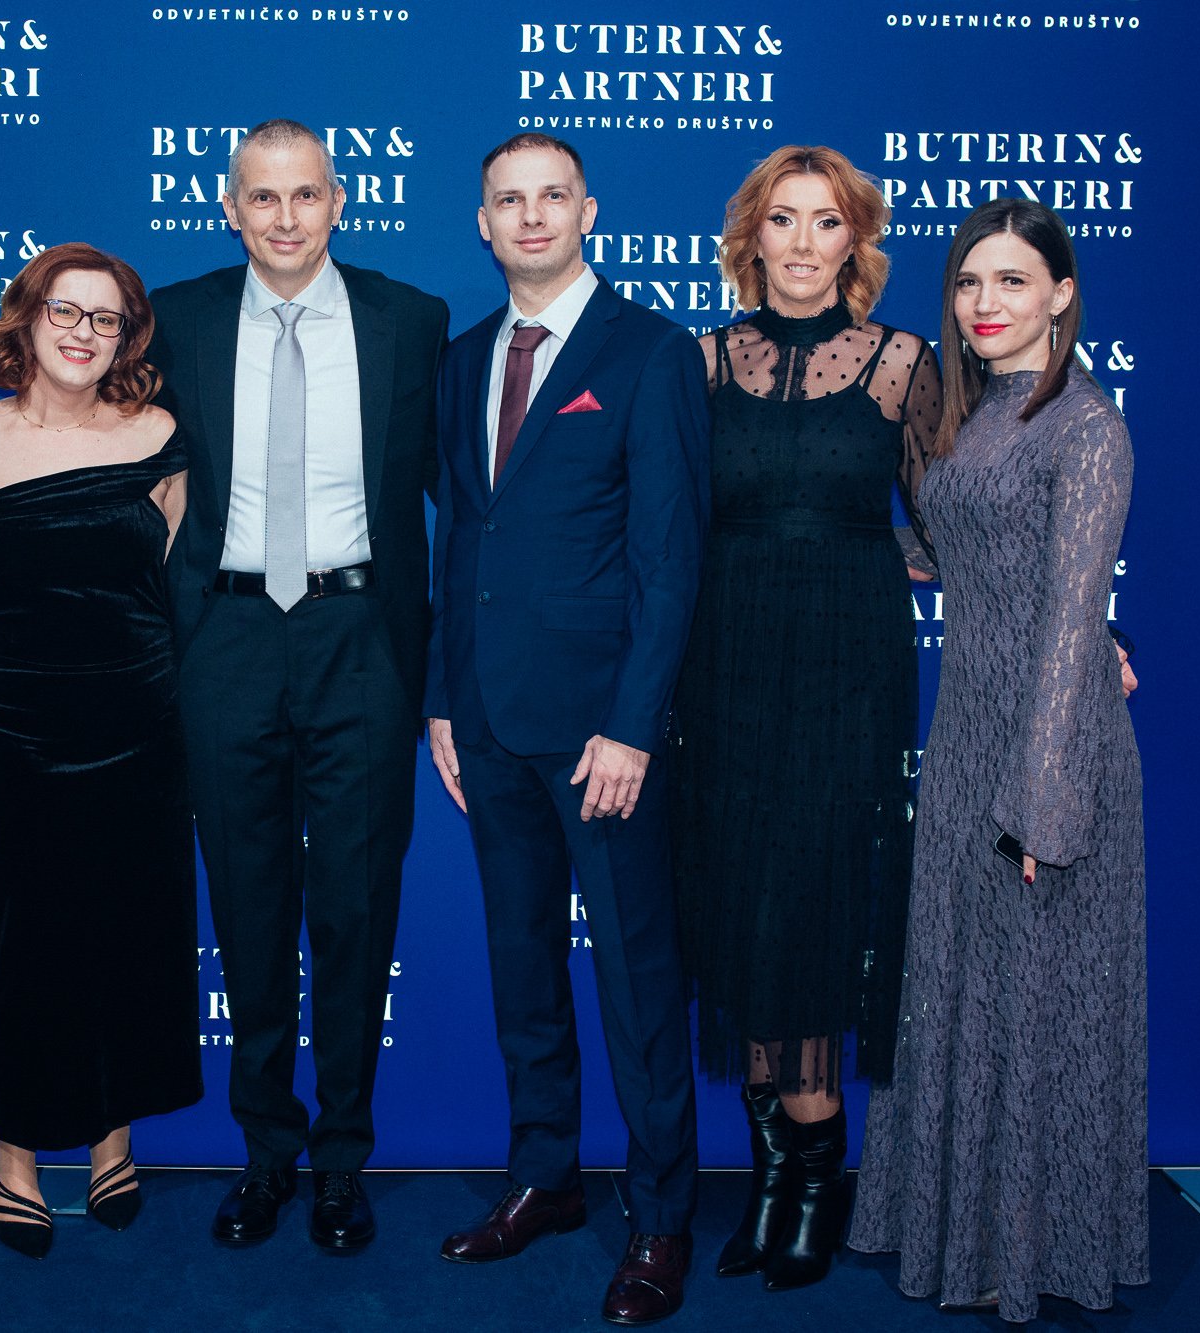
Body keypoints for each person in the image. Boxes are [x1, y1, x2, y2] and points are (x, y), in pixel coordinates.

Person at [146, 118, 449, 1252]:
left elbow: (453, 503)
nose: (283, 219)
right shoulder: (171, 318)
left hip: (359, 637)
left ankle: (339, 1160)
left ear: (337, 202)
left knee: (358, 911)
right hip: (223, 639)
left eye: (304, 196)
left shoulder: (409, 322)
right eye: (260, 198)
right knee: (250, 908)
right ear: (229, 207)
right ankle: (265, 1153)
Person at [424, 133, 709, 1326]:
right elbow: (463, 545)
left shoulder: (648, 352)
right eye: (507, 201)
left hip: (601, 735)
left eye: (551, 196)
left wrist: (632, 725)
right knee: (520, 968)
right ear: (480, 223)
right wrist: (441, 696)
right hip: (485, 720)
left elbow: (669, 554)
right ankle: (542, 1176)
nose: (530, 217)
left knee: (637, 983)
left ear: (586, 211)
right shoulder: (457, 361)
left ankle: (657, 1221)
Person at [848, 199, 1146, 1324]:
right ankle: (960, 1228)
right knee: (959, 995)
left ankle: (1035, 1250)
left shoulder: (1085, 427)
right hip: (964, 730)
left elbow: (1072, 623)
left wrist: (1041, 797)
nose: (984, 305)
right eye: (970, 283)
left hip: (1047, 745)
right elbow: (931, 548)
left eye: (1012, 283)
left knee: (1038, 1005)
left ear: (1060, 294)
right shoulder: (961, 419)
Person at [666, 146, 941, 1292]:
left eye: (822, 223)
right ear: (749, 239)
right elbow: (659, 524)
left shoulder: (903, 364)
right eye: (778, 221)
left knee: (820, 901)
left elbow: (954, 522)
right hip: (724, 667)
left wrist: (1086, 632)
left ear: (853, 241)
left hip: (845, 666)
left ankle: (813, 1181)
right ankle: (772, 1171)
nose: (796, 243)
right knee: (741, 902)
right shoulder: (698, 363)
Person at [0, 243, 201, 1258]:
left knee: (128, 928)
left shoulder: (163, 436)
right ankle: (14, 1151)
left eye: (106, 317)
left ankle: (108, 1135)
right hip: (11, 727)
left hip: (137, 723)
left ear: (127, 334)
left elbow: (172, 582)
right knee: (27, 934)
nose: (84, 331)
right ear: (28, 318)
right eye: (67, 310)